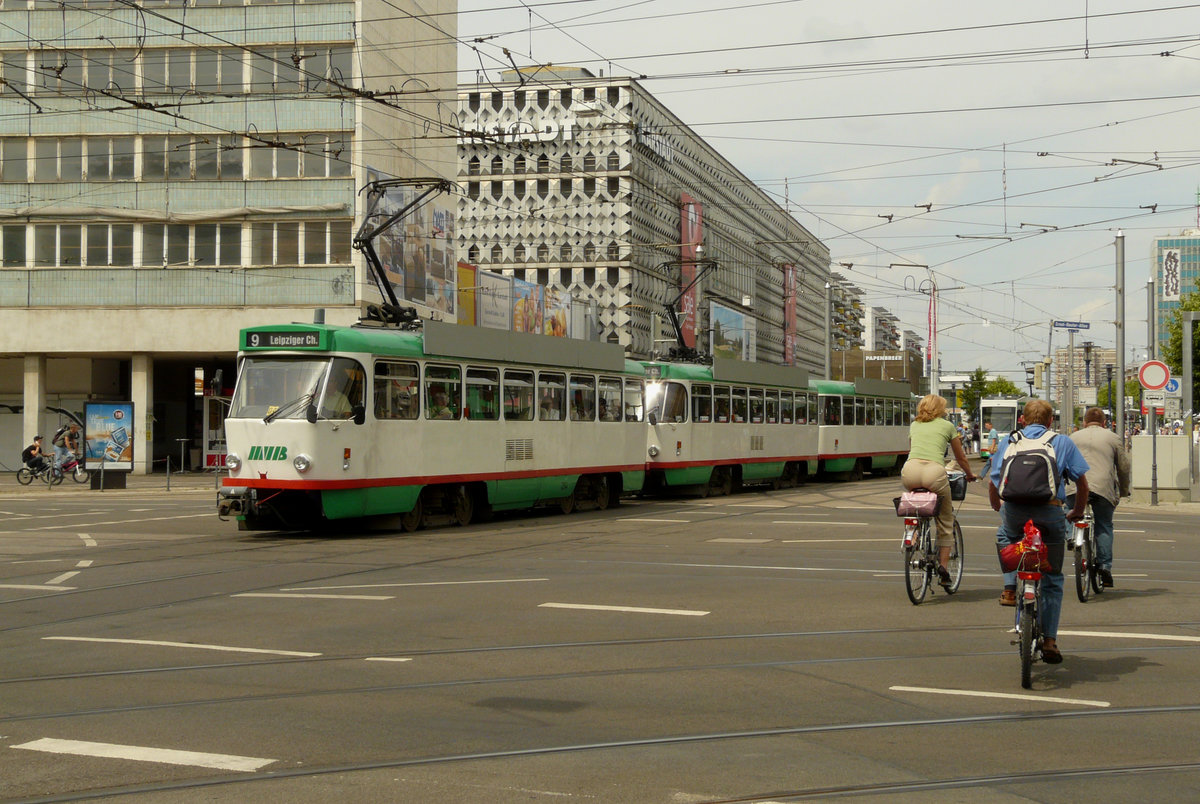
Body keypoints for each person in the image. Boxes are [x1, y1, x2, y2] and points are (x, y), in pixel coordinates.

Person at [988, 399, 1090, 664]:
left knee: (1005, 536)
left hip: (1014, 512)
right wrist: (1076, 511)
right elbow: (1081, 483)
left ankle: (1010, 587)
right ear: (1049, 421)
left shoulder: (1010, 441)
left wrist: (997, 505)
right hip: (1050, 512)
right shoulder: (1063, 442)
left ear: (1022, 419)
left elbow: (995, 480)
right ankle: (1050, 641)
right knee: (1053, 576)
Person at [901, 394, 978, 588]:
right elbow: (961, 457)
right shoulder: (947, 426)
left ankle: (914, 533)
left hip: (909, 470)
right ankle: (943, 569)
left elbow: (913, 450)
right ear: (939, 409)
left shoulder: (914, 425)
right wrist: (969, 474)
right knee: (945, 521)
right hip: (934, 472)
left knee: (915, 506)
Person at [1066, 407, 1132, 588]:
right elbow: (1124, 467)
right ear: (1104, 423)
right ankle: (1105, 566)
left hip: (1075, 487)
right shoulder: (1112, 437)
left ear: (1084, 423)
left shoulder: (1073, 438)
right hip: (1102, 488)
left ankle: (1070, 535)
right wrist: (1124, 490)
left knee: (1068, 510)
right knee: (1104, 525)